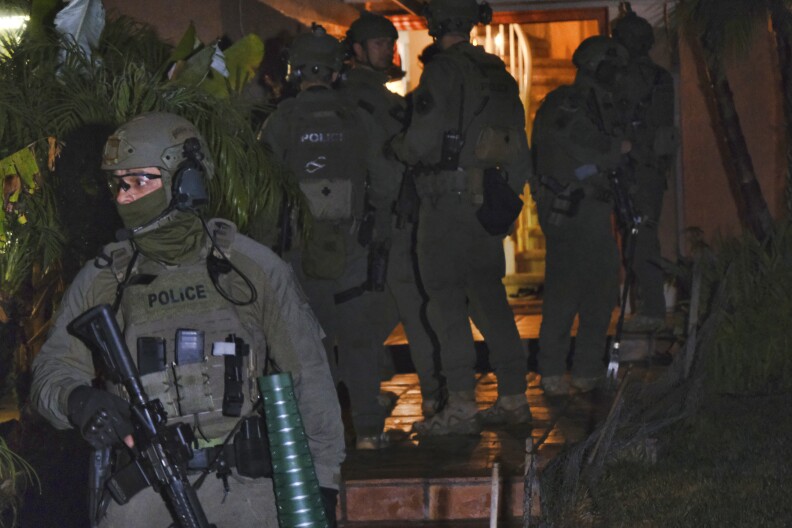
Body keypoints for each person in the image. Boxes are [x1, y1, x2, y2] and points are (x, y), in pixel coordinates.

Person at [30, 112, 345, 527]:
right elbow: (50, 371)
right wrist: (79, 401)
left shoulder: (253, 269)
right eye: (118, 184)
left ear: (186, 181)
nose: (125, 197)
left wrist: (322, 484)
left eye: (140, 181)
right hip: (146, 494)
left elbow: (309, 381)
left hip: (250, 493)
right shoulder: (105, 278)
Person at [390, 0, 532, 435]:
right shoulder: (500, 74)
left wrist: (394, 146)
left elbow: (418, 142)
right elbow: (519, 148)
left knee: (446, 304)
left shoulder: (443, 71)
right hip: (485, 205)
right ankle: (513, 397)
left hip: (446, 208)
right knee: (491, 301)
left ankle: (461, 406)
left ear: (434, 25)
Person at [258, 24, 396, 450]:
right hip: (353, 247)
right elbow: (387, 183)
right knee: (358, 340)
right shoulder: (360, 118)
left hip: (300, 251)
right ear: (337, 70)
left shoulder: (279, 122)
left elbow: (263, 194)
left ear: (295, 72)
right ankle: (369, 431)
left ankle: (316, 437)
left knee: (311, 346)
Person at [341, 12, 446, 423]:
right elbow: (387, 165)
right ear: (358, 51)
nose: (390, 50)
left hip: (367, 223)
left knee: (369, 314)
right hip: (384, 221)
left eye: (391, 42)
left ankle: (368, 396)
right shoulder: (368, 101)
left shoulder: (373, 98)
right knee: (413, 306)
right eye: (381, 43)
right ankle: (434, 395)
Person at [531, 35, 631, 396]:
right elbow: (581, 146)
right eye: (611, 64)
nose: (617, 73)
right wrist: (616, 149)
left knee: (601, 293)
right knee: (565, 293)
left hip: (594, 210)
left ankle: (586, 370)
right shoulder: (568, 103)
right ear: (593, 65)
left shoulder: (601, 105)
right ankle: (552, 371)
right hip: (571, 209)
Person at [612, 10, 677, 333]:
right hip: (649, 169)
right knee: (640, 237)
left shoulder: (626, 76)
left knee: (640, 240)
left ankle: (652, 309)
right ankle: (650, 307)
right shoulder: (660, 76)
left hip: (637, 167)